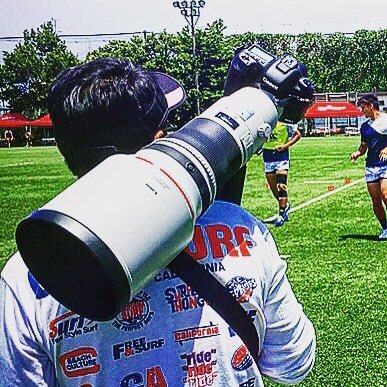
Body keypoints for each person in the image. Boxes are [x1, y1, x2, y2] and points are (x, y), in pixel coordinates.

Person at [0, 58, 316, 386]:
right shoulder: (242, 233)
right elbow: (292, 363)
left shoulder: (28, 272)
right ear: (158, 140)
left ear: (64, 150)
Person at [350, 93, 387, 240]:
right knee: (376, 200)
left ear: (371, 106)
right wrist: (357, 153)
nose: (362, 111)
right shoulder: (365, 127)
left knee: (385, 195)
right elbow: (363, 146)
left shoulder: (385, 120)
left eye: (363, 108)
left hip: (385, 165)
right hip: (371, 166)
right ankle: (385, 228)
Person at [262, 121, 301, 227]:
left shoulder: (285, 122)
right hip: (268, 155)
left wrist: (285, 146)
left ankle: (282, 213)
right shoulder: (264, 121)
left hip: (281, 156)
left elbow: (298, 135)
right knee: (273, 187)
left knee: (281, 185)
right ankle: (285, 205)